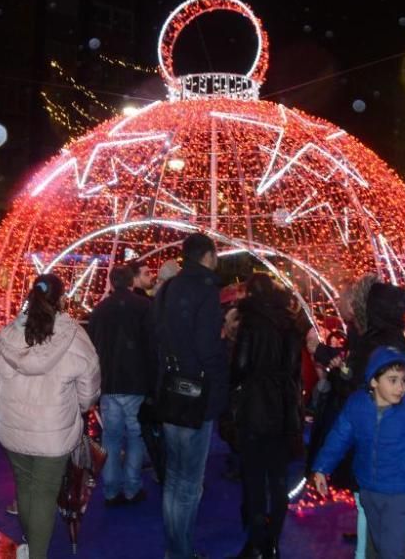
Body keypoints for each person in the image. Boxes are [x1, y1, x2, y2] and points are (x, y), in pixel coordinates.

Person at [0, 274, 100, 559]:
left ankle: (29, 542)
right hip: (55, 430)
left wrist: (6, 406)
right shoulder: (74, 336)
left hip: (13, 428)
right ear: (61, 299)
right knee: (45, 493)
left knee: (24, 486)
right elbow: (89, 383)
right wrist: (83, 406)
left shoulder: (9, 334)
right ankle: (37, 554)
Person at [312, 346, 405, 559]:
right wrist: (322, 468)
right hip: (369, 487)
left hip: (400, 489)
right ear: (374, 382)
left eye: (404, 380)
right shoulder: (357, 406)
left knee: (391, 548)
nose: (401, 387)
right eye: (393, 380)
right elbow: (338, 438)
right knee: (379, 541)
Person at [154, 233, 227, 559]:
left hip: (170, 390)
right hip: (196, 395)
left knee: (173, 478)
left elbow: (157, 336)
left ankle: (175, 549)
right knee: (189, 484)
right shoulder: (206, 292)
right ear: (208, 256)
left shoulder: (169, 289)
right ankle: (181, 552)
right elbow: (207, 347)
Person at [229, 275, 302, 558]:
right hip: (283, 405)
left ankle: (258, 540)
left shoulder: (251, 324)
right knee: (278, 476)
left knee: (255, 474)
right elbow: (294, 369)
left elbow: (241, 365)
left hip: (256, 404)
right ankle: (273, 540)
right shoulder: (289, 323)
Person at [88, 265, 155, 505]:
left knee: (111, 438)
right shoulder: (144, 307)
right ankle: (131, 487)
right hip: (136, 383)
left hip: (110, 382)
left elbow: (92, 345)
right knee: (136, 438)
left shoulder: (101, 309)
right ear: (130, 281)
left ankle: (110, 489)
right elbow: (152, 345)